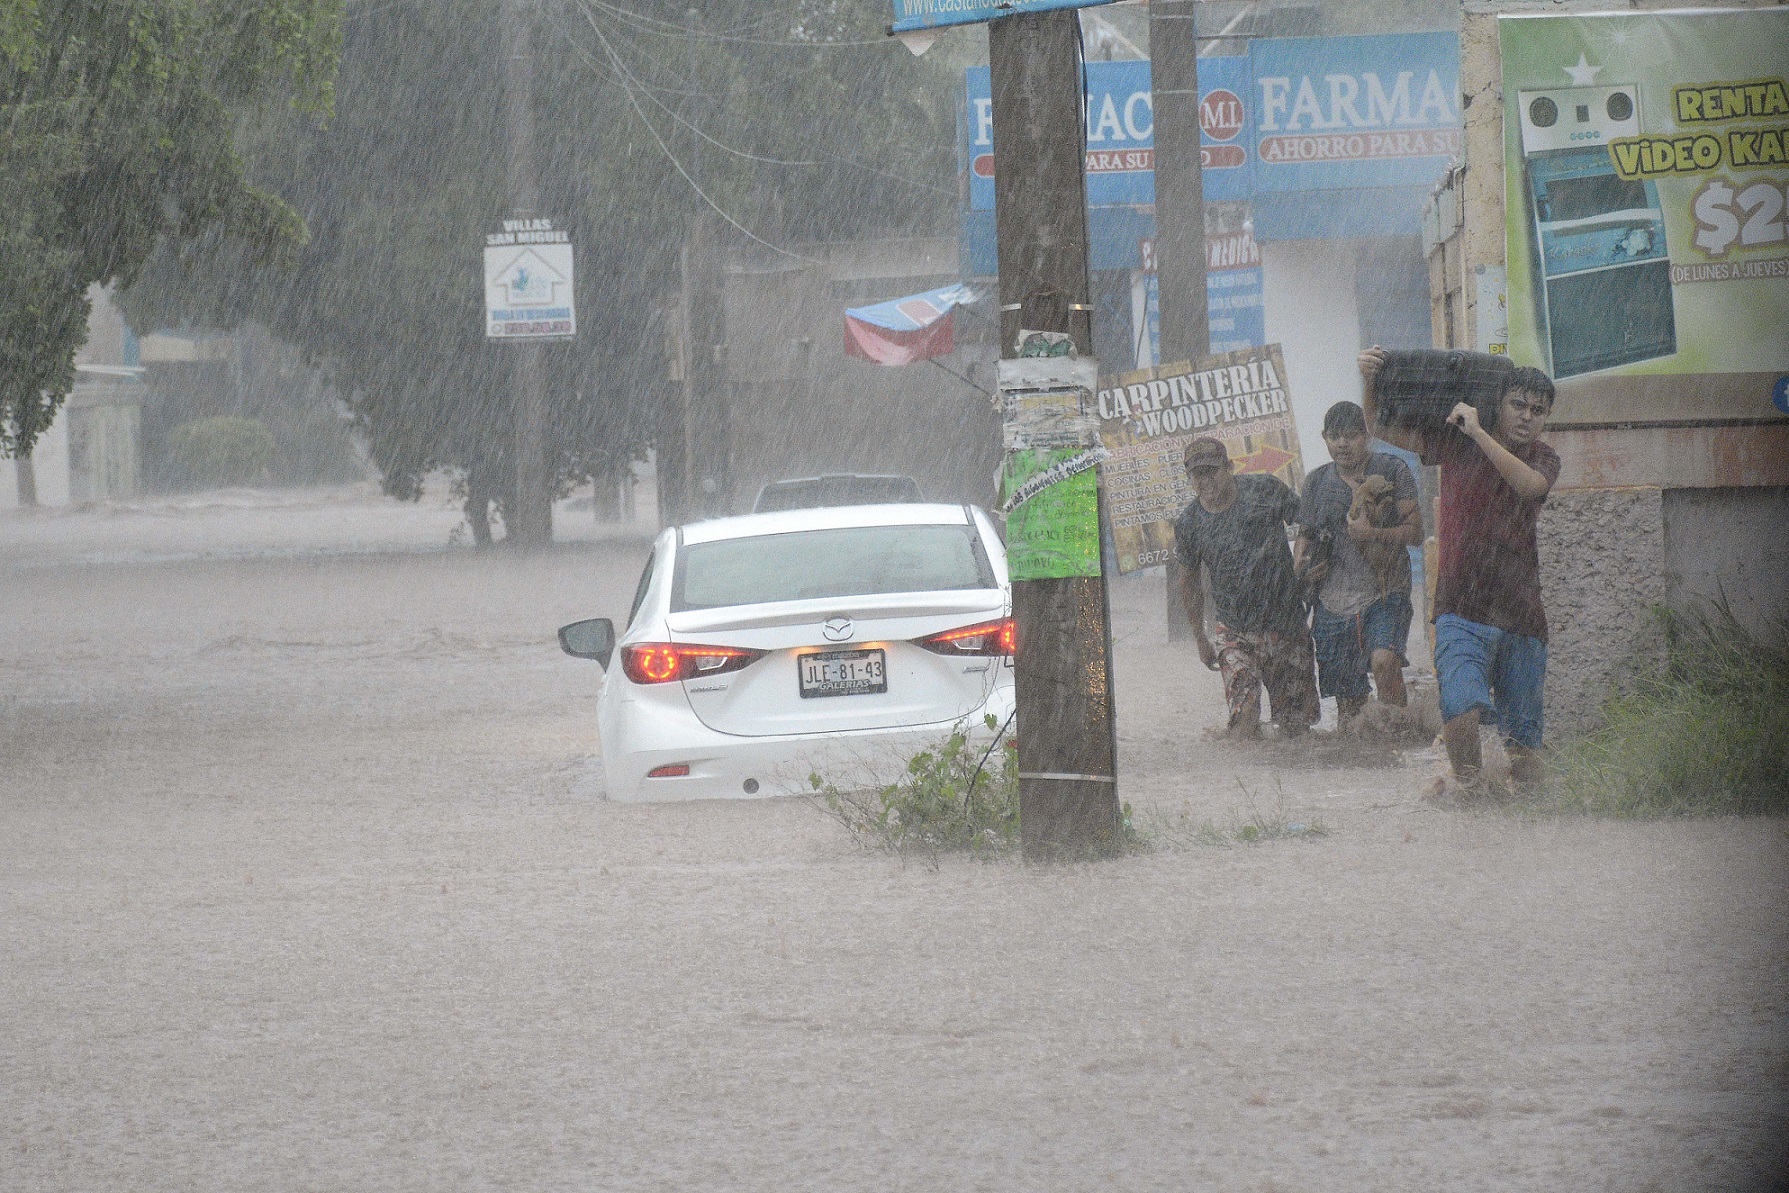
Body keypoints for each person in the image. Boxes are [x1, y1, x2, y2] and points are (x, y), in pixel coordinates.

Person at [1358, 348, 1560, 787]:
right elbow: (1378, 427)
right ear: (1499, 403)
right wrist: (1369, 382)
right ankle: (1468, 796)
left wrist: (1481, 433)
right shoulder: (1454, 443)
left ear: (1546, 419)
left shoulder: (1543, 458)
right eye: (1517, 406)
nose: (1526, 417)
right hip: (1460, 612)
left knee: (1525, 754)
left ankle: (1524, 821)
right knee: (1461, 714)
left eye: (1537, 411)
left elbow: (1528, 486)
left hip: (1522, 618)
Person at [1175, 437, 1319, 739]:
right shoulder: (1189, 523)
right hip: (1235, 631)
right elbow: (1188, 583)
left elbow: (1309, 521)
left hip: (1286, 625)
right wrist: (1200, 638)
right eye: (1197, 475)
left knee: (1297, 730)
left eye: (1212, 471)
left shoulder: (1264, 490)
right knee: (1244, 723)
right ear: (1189, 479)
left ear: (1229, 467)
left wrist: (1301, 562)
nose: (1205, 480)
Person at [1294, 401, 1424, 724]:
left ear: (1366, 436)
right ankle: (1365, 758)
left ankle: (1401, 737)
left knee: (1385, 662)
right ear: (1324, 438)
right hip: (1333, 602)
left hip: (1384, 592)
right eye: (1335, 437)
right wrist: (1299, 572)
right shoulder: (1316, 483)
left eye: (1350, 436)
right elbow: (1305, 536)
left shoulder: (1392, 471)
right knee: (1350, 711)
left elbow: (1417, 533)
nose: (1342, 444)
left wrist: (1373, 533)